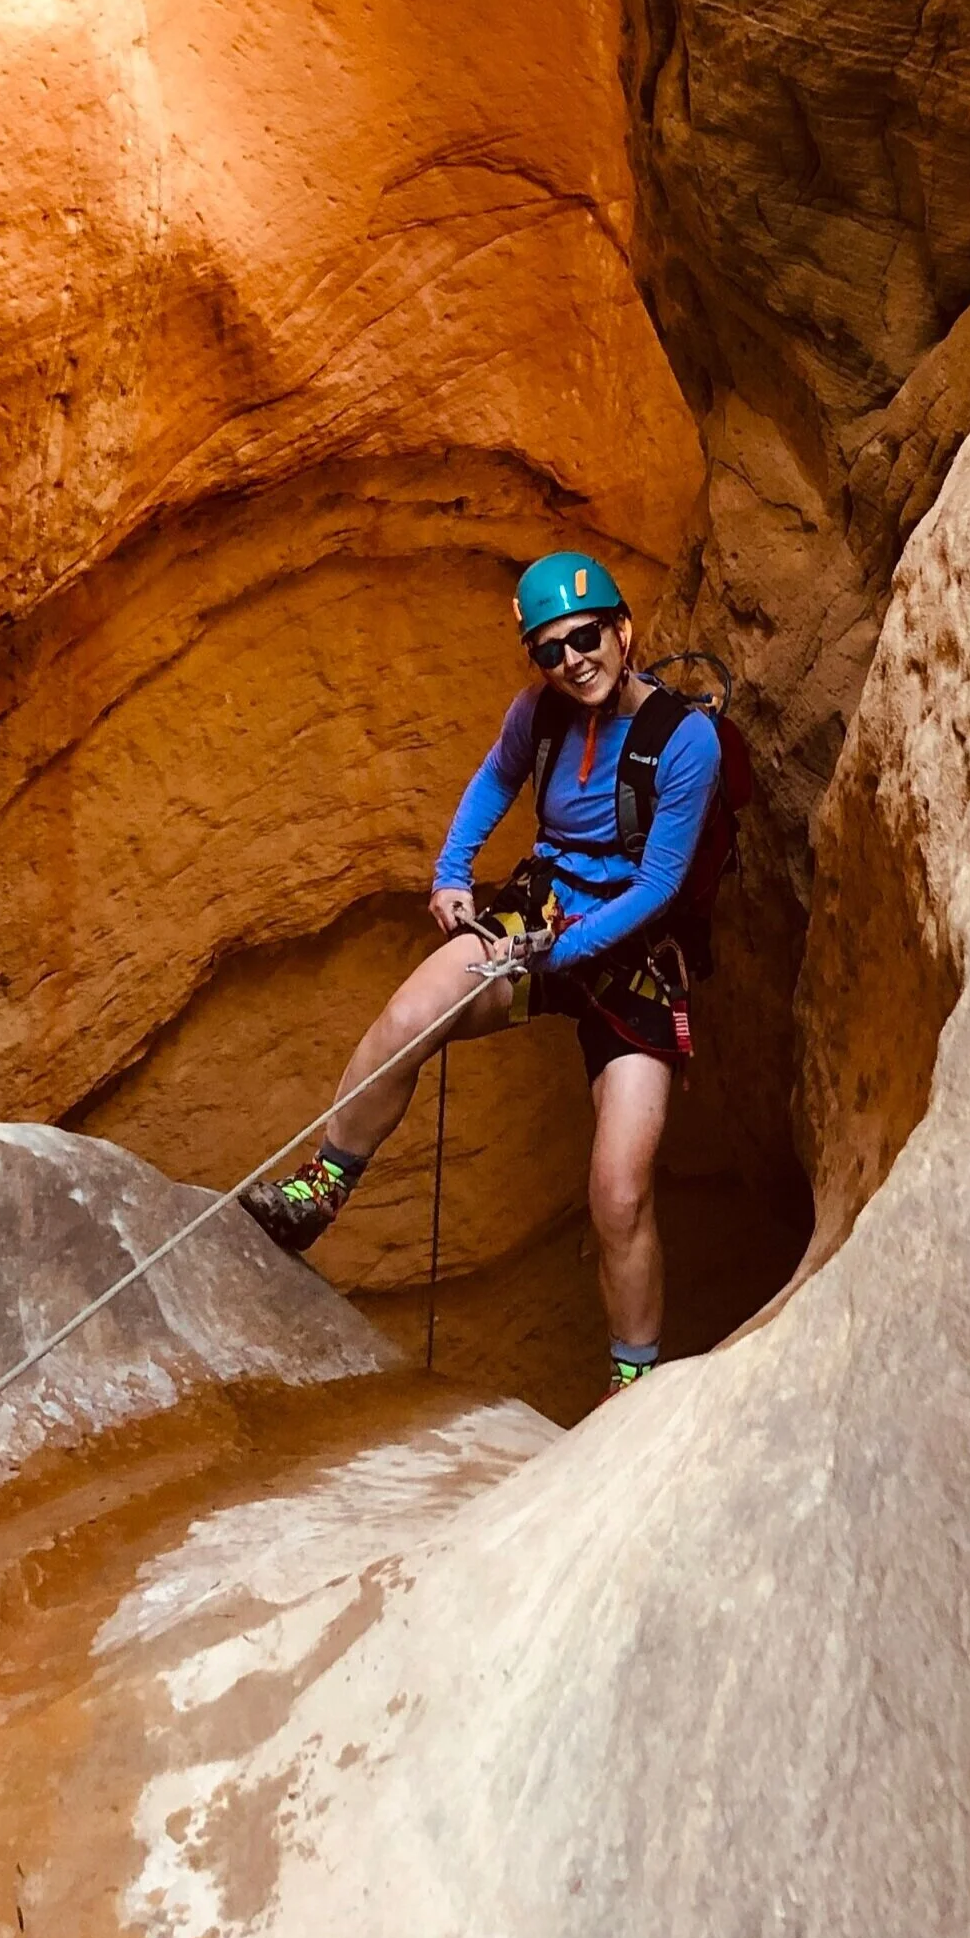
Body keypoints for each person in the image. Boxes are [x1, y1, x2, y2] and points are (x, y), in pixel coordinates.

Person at [241, 551, 723, 1399]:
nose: (572, 660)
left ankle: (631, 1389)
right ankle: (321, 1189)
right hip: (541, 916)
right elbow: (495, 778)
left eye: (585, 637)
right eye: (549, 648)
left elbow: (659, 886)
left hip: (631, 958)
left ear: (623, 629)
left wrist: (554, 954)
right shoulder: (538, 715)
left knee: (618, 1191)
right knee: (409, 1016)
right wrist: (452, 875)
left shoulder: (687, 740)